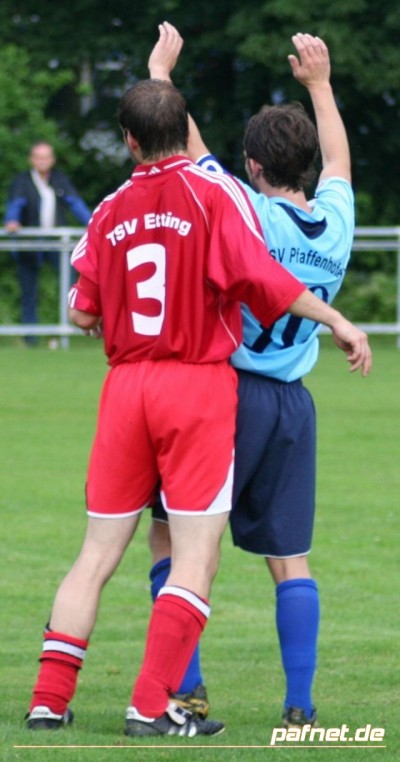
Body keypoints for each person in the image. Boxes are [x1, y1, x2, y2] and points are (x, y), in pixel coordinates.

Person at [24, 74, 371, 739]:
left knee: (97, 555)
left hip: (128, 386)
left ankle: (49, 701)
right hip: (205, 387)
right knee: (201, 555)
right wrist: (337, 319)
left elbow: (80, 312)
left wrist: (161, 71)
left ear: (128, 140)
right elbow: (264, 277)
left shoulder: (109, 208)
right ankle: (155, 704)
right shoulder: (218, 197)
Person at [146, 23, 358, 728]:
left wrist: (162, 77)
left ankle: (187, 691)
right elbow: (339, 160)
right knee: (290, 558)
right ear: (306, 167)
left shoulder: (245, 211)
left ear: (253, 166)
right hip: (293, 406)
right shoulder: (336, 224)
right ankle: (300, 706)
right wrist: (320, 85)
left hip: (225, 395)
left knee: (175, 542)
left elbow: (188, 149)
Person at [4, 141, 91, 344]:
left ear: (52, 160)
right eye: (38, 157)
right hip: (30, 243)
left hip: (57, 243)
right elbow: (16, 205)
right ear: (31, 159)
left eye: (46, 157)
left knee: (70, 285)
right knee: (28, 290)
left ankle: (70, 329)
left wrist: (94, 223)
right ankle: (30, 338)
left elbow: (75, 204)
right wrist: (12, 221)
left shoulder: (59, 179)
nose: (42, 161)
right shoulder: (22, 181)